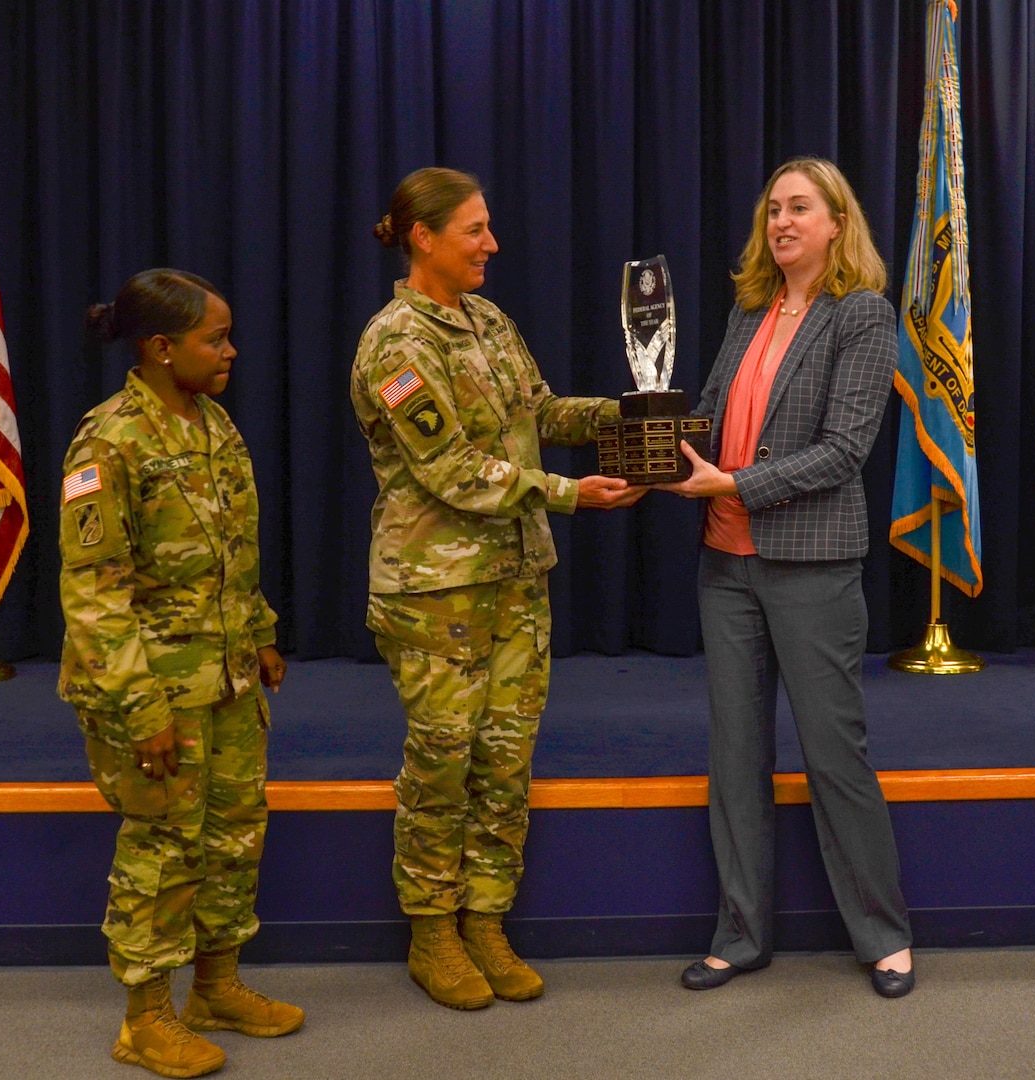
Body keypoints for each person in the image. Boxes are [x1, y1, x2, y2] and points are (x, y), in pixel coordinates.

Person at [351, 167, 644, 1010]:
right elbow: (447, 469)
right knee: (443, 762)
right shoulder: (394, 344)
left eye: (488, 228)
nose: (492, 244)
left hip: (515, 577)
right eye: (475, 230)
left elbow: (540, 409)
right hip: (435, 588)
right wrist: (569, 493)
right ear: (424, 237)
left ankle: (486, 917)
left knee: (505, 760)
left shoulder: (487, 319)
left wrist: (624, 415)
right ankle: (431, 931)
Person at [655, 158, 916, 998]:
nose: (782, 223)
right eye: (773, 209)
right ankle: (740, 935)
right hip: (725, 566)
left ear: (838, 223)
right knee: (735, 757)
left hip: (812, 566)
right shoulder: (749, 310)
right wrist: (657, 455)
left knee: (835, 755)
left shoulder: (864, 316)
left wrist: (732, 483)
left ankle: (883, 935)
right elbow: (714, 411)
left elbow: (844, 451)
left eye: (800, 208)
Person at [58, 268, 302, 1078]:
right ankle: (145, 1018)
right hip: (157, 691)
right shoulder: (108, 442)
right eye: (214, 338)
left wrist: (261, 633)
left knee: (233, 839)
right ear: (162, 348)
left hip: (227, 680)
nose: (229, 351)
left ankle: (218, 988)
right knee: (163, 850)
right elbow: (94, 597)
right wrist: (140, 709)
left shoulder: (214, 426)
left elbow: (234, 552)